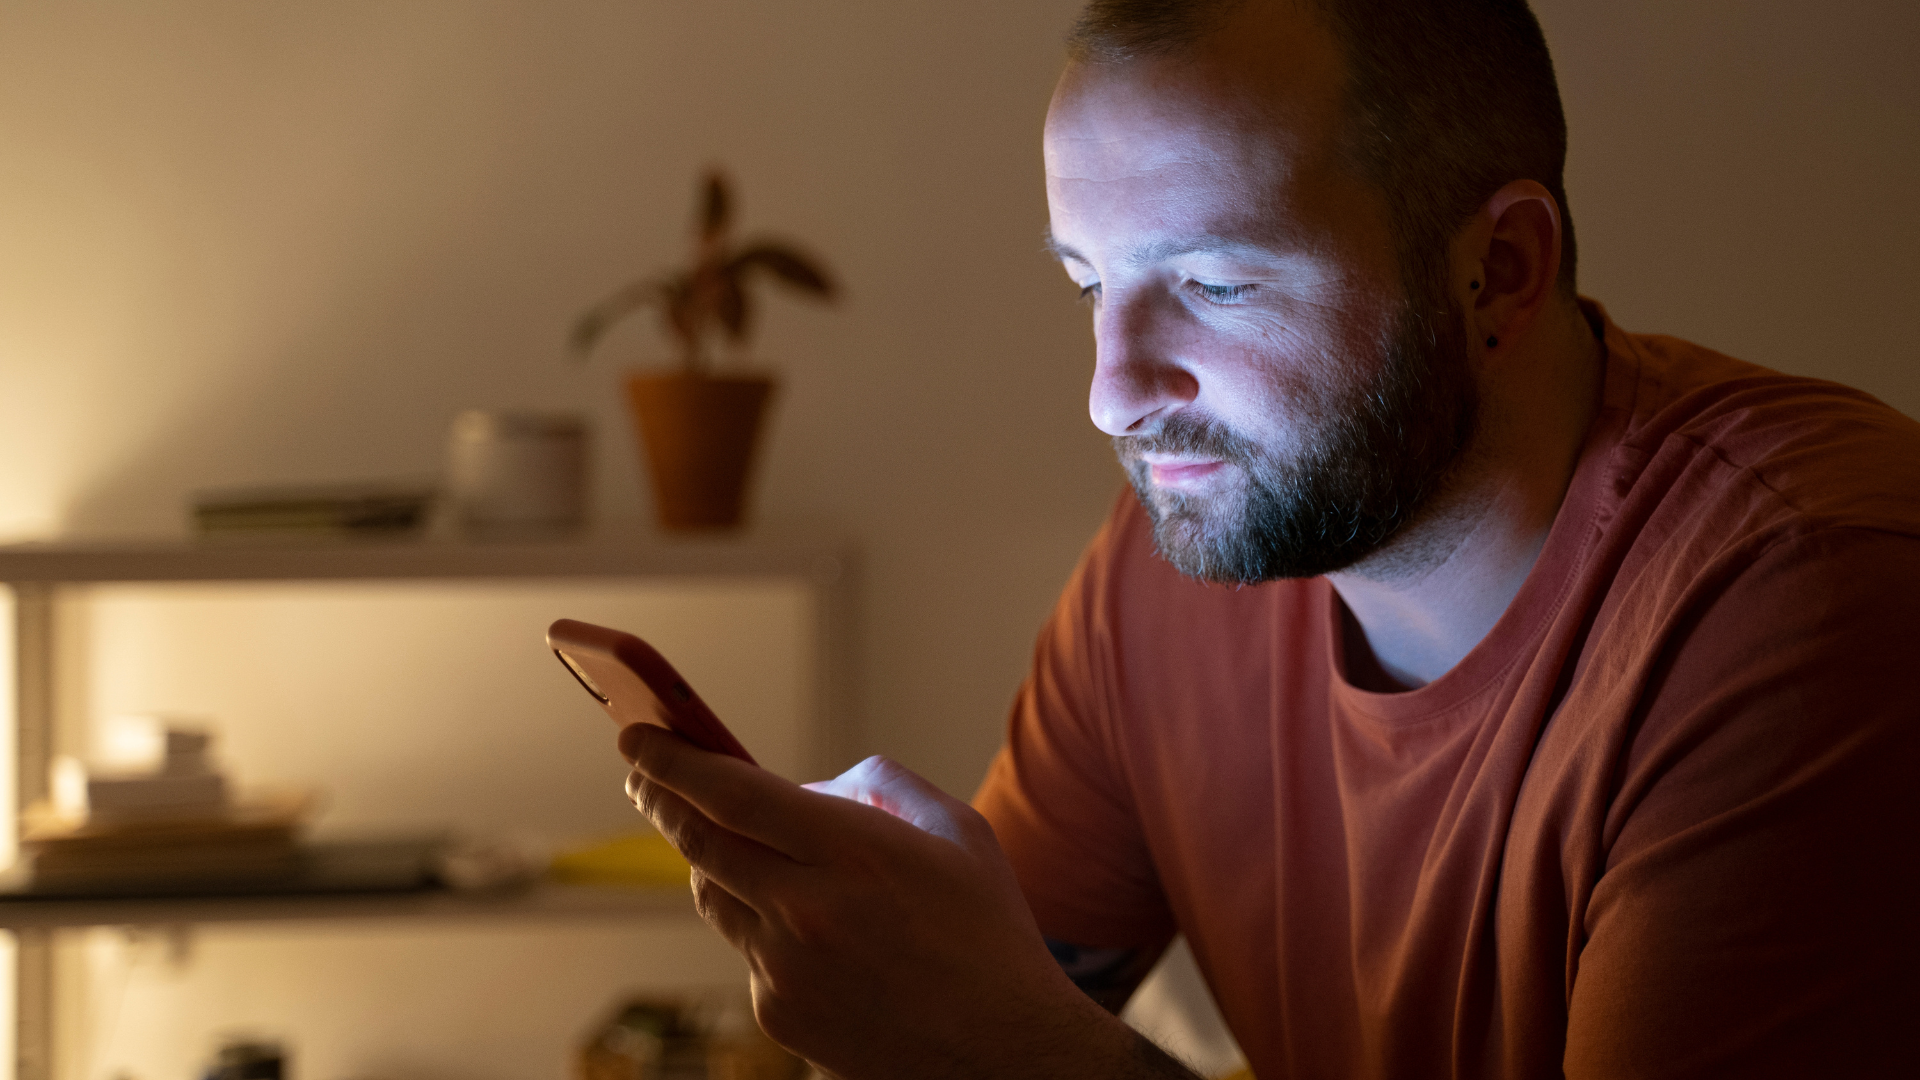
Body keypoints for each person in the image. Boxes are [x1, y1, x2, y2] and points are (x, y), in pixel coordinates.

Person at [621, 1, 1920, 1076]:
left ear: (1503, 270)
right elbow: (971, 993)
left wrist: (1021, 1053)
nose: (1112, 393)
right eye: (1090, 284)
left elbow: (1007, 1032)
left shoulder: (1811, 597)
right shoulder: (1170, 568)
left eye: (1216, 284)